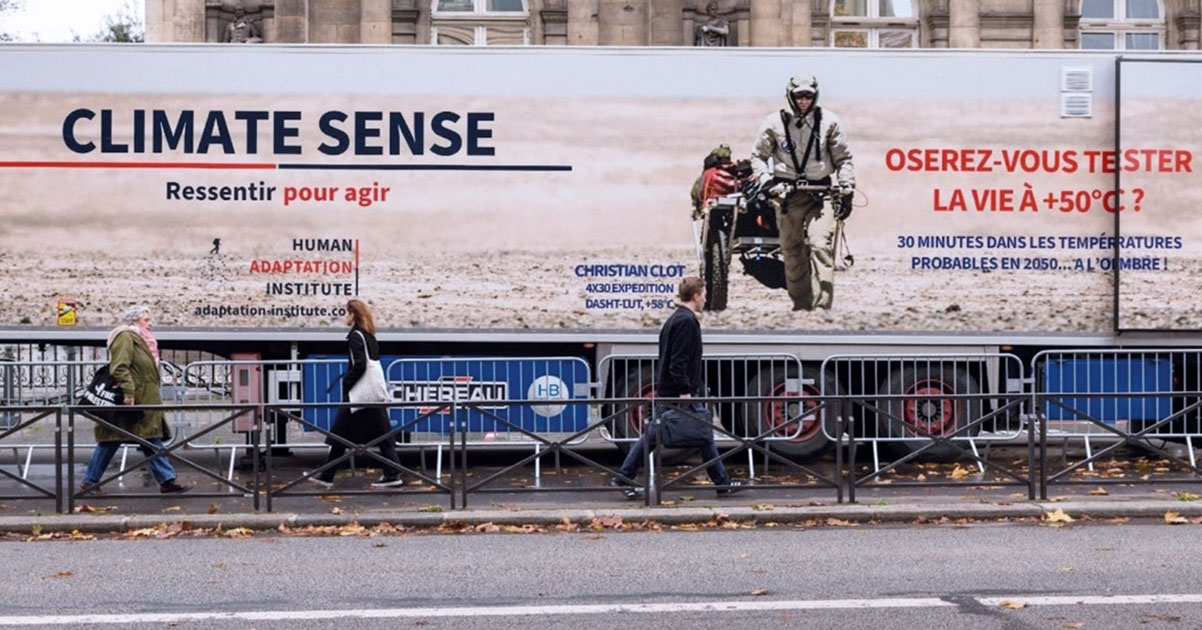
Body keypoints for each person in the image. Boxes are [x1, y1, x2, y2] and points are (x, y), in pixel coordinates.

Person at [612, 277, 743, 499]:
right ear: (695, 296)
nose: (706, 298)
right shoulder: (686, 322)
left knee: (701, 435)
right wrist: (685, 391)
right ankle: (623, 476)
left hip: (675, 390)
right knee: (662, 435)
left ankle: (722, 482)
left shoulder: (676, 319)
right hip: (678, 392)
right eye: (704, 293)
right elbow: (678, 362)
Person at [750, 75, 855, 319]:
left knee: (820, 244)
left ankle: (823, 305)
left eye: (808, 96)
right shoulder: (773, 123)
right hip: (787, 195)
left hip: (821, 194)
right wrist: (766, 182)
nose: (804, 101)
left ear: (815, 96)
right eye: (799, 96)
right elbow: (758, 156)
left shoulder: (829, 121)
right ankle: (802, 305)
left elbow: (843, 159)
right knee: (792, 249)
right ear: (790, 95)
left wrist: (847, 189)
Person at [80, 306, 188, 495]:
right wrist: (129, 392)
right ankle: (90, 481)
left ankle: (167, 480)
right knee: (112, 439)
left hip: (143, 397)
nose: (150, 323)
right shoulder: (126, 336)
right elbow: (119, 367)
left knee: (149, 439)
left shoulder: (140, 339)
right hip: (131, 399)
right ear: (134, 321)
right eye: (146, 320)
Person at [310, 299, 405, 488]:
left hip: (360, 392)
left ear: (353, 315)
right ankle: (392, 473)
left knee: (340, 433)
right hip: (370, 392)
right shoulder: (369, 335)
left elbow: (360, 364)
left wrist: (348, 382)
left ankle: (327, 475)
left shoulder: (356, 336)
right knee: (381, 434)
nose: (345, 316)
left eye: (347, 312)